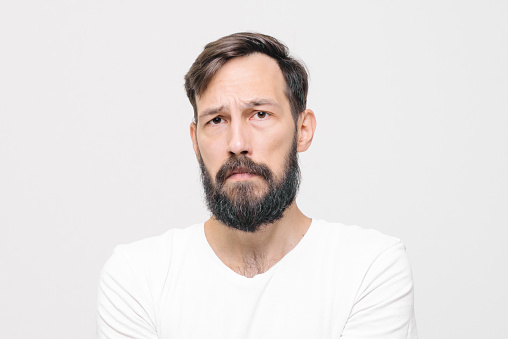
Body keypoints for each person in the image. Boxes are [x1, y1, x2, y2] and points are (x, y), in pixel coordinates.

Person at [97, 32, 417, 338]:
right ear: (195, 140)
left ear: (302, 130)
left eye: (260, 114)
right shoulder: (137, 277)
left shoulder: (370, 268)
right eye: (217, 120)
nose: (237, 143)